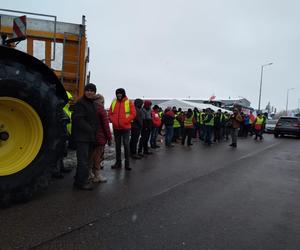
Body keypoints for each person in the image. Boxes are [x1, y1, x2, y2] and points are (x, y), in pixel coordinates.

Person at [72, 83, 98, 190]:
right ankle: (81, 182)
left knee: (85, 160)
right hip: (82, 137)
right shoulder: (80, 103)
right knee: (83, 161)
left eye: (92, 90)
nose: (90, 92)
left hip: (89, 137)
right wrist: (90, 129)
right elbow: (78, 119)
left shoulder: (92, 104)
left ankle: (79, 180)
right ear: (85, 91)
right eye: (88, 90)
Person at [109, 88, 136, 170]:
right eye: (117, 93)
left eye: (120, 93)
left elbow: (133, 114)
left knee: (126, 145)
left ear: (123, 94)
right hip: (116, 128)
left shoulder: (129, 102)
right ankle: (118, 163)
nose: (119, 94)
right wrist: (113, 120)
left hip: (125, 128)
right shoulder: (114, 102)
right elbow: (110, 113)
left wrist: (125, 121)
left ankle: (127, 164)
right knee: (117, 145)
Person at [89, 94, 112, 183]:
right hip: (100, 137)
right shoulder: (101, 110)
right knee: (97, 157)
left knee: (90, 155)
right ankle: (97, 175)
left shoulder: (90, 108)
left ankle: (89, 173)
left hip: (90, 137)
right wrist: (109, 138)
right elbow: (106, 126)